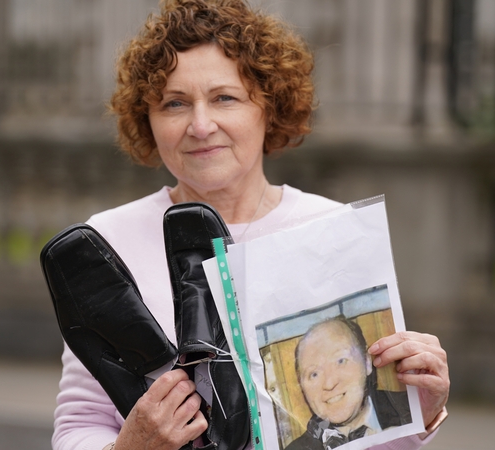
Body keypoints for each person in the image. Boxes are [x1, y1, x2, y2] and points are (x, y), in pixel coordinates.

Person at [52, 1, 450, 450]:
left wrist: (424, 410)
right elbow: (79, 425)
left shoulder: (333, 230)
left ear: (269, 106)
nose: (201, 126)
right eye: (174, 103)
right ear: (147, 119)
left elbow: (370, 439)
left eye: (225, 98)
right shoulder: (107, 244)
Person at [287, 316, 411, 450]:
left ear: (367, 362)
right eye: (314, 374)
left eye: (341, 361)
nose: (329, 384)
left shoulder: (415, 410)